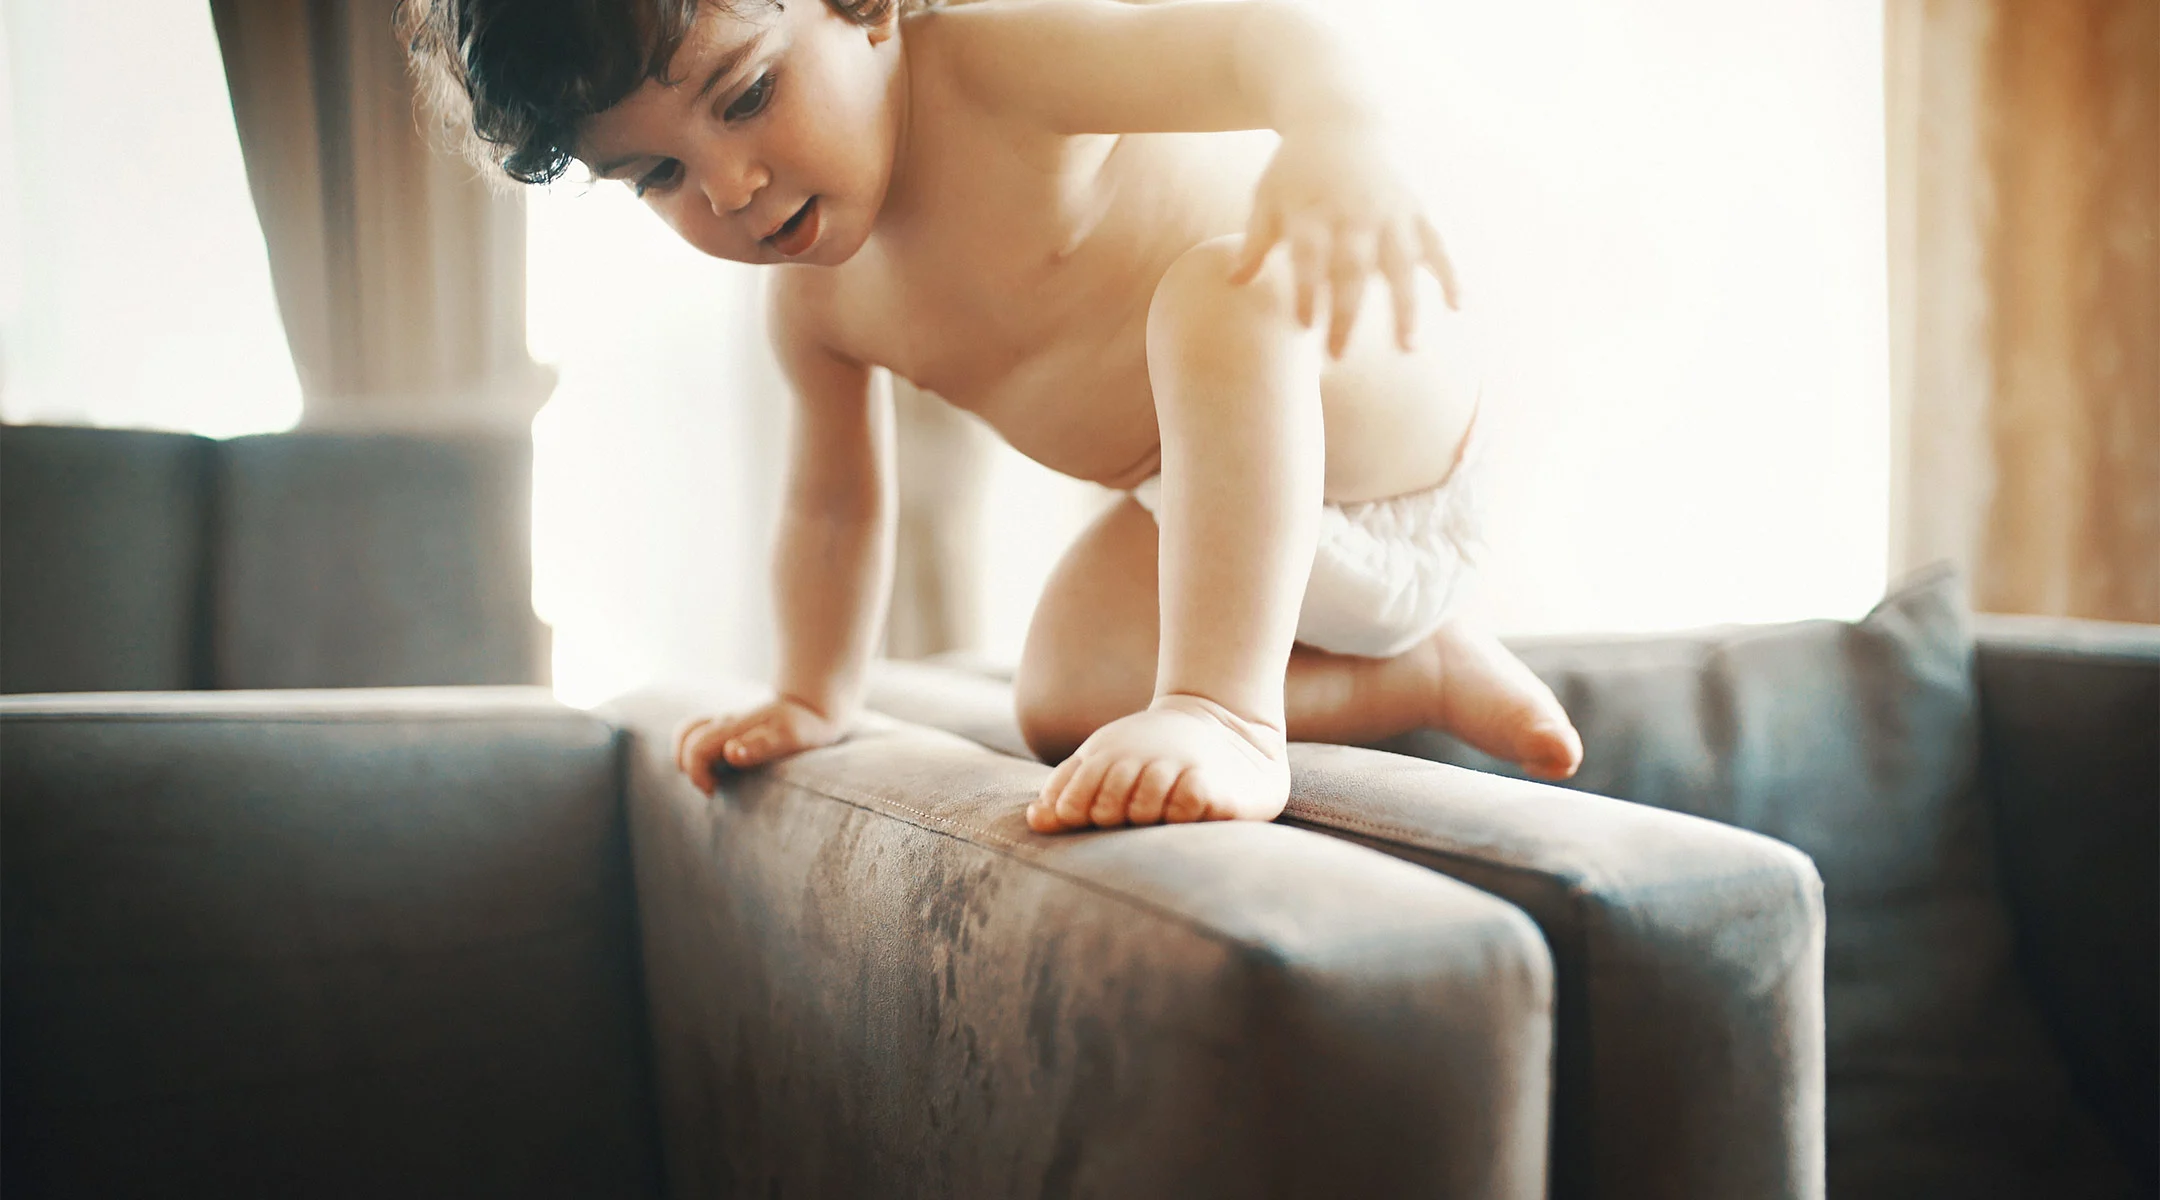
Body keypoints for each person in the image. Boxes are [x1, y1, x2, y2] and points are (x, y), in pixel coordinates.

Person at [405, 0, 1584, 833]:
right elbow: (830, 509)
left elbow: (1261, 35)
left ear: (863, 6)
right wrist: (816, 693)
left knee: (1211, 303)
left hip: (1377, 373)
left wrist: (1341, 144)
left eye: (750, 95)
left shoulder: (993, 68)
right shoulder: (814, 307)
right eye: (655, 175)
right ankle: (1418, 668)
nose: (728, 188)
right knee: (1061, 695)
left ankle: (1230, 712)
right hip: (1234, 509)